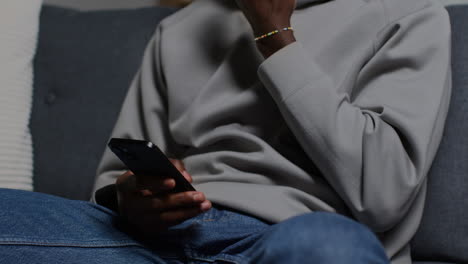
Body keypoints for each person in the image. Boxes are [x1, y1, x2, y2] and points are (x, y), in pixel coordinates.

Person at [0, 0, 451, 263]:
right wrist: (132, 198)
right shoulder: (179, 28)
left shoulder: (406, 14)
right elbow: (112, 180)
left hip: (289, 238)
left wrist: (274, 34)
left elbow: (384, 194)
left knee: (329, 248)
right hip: (156, 243)